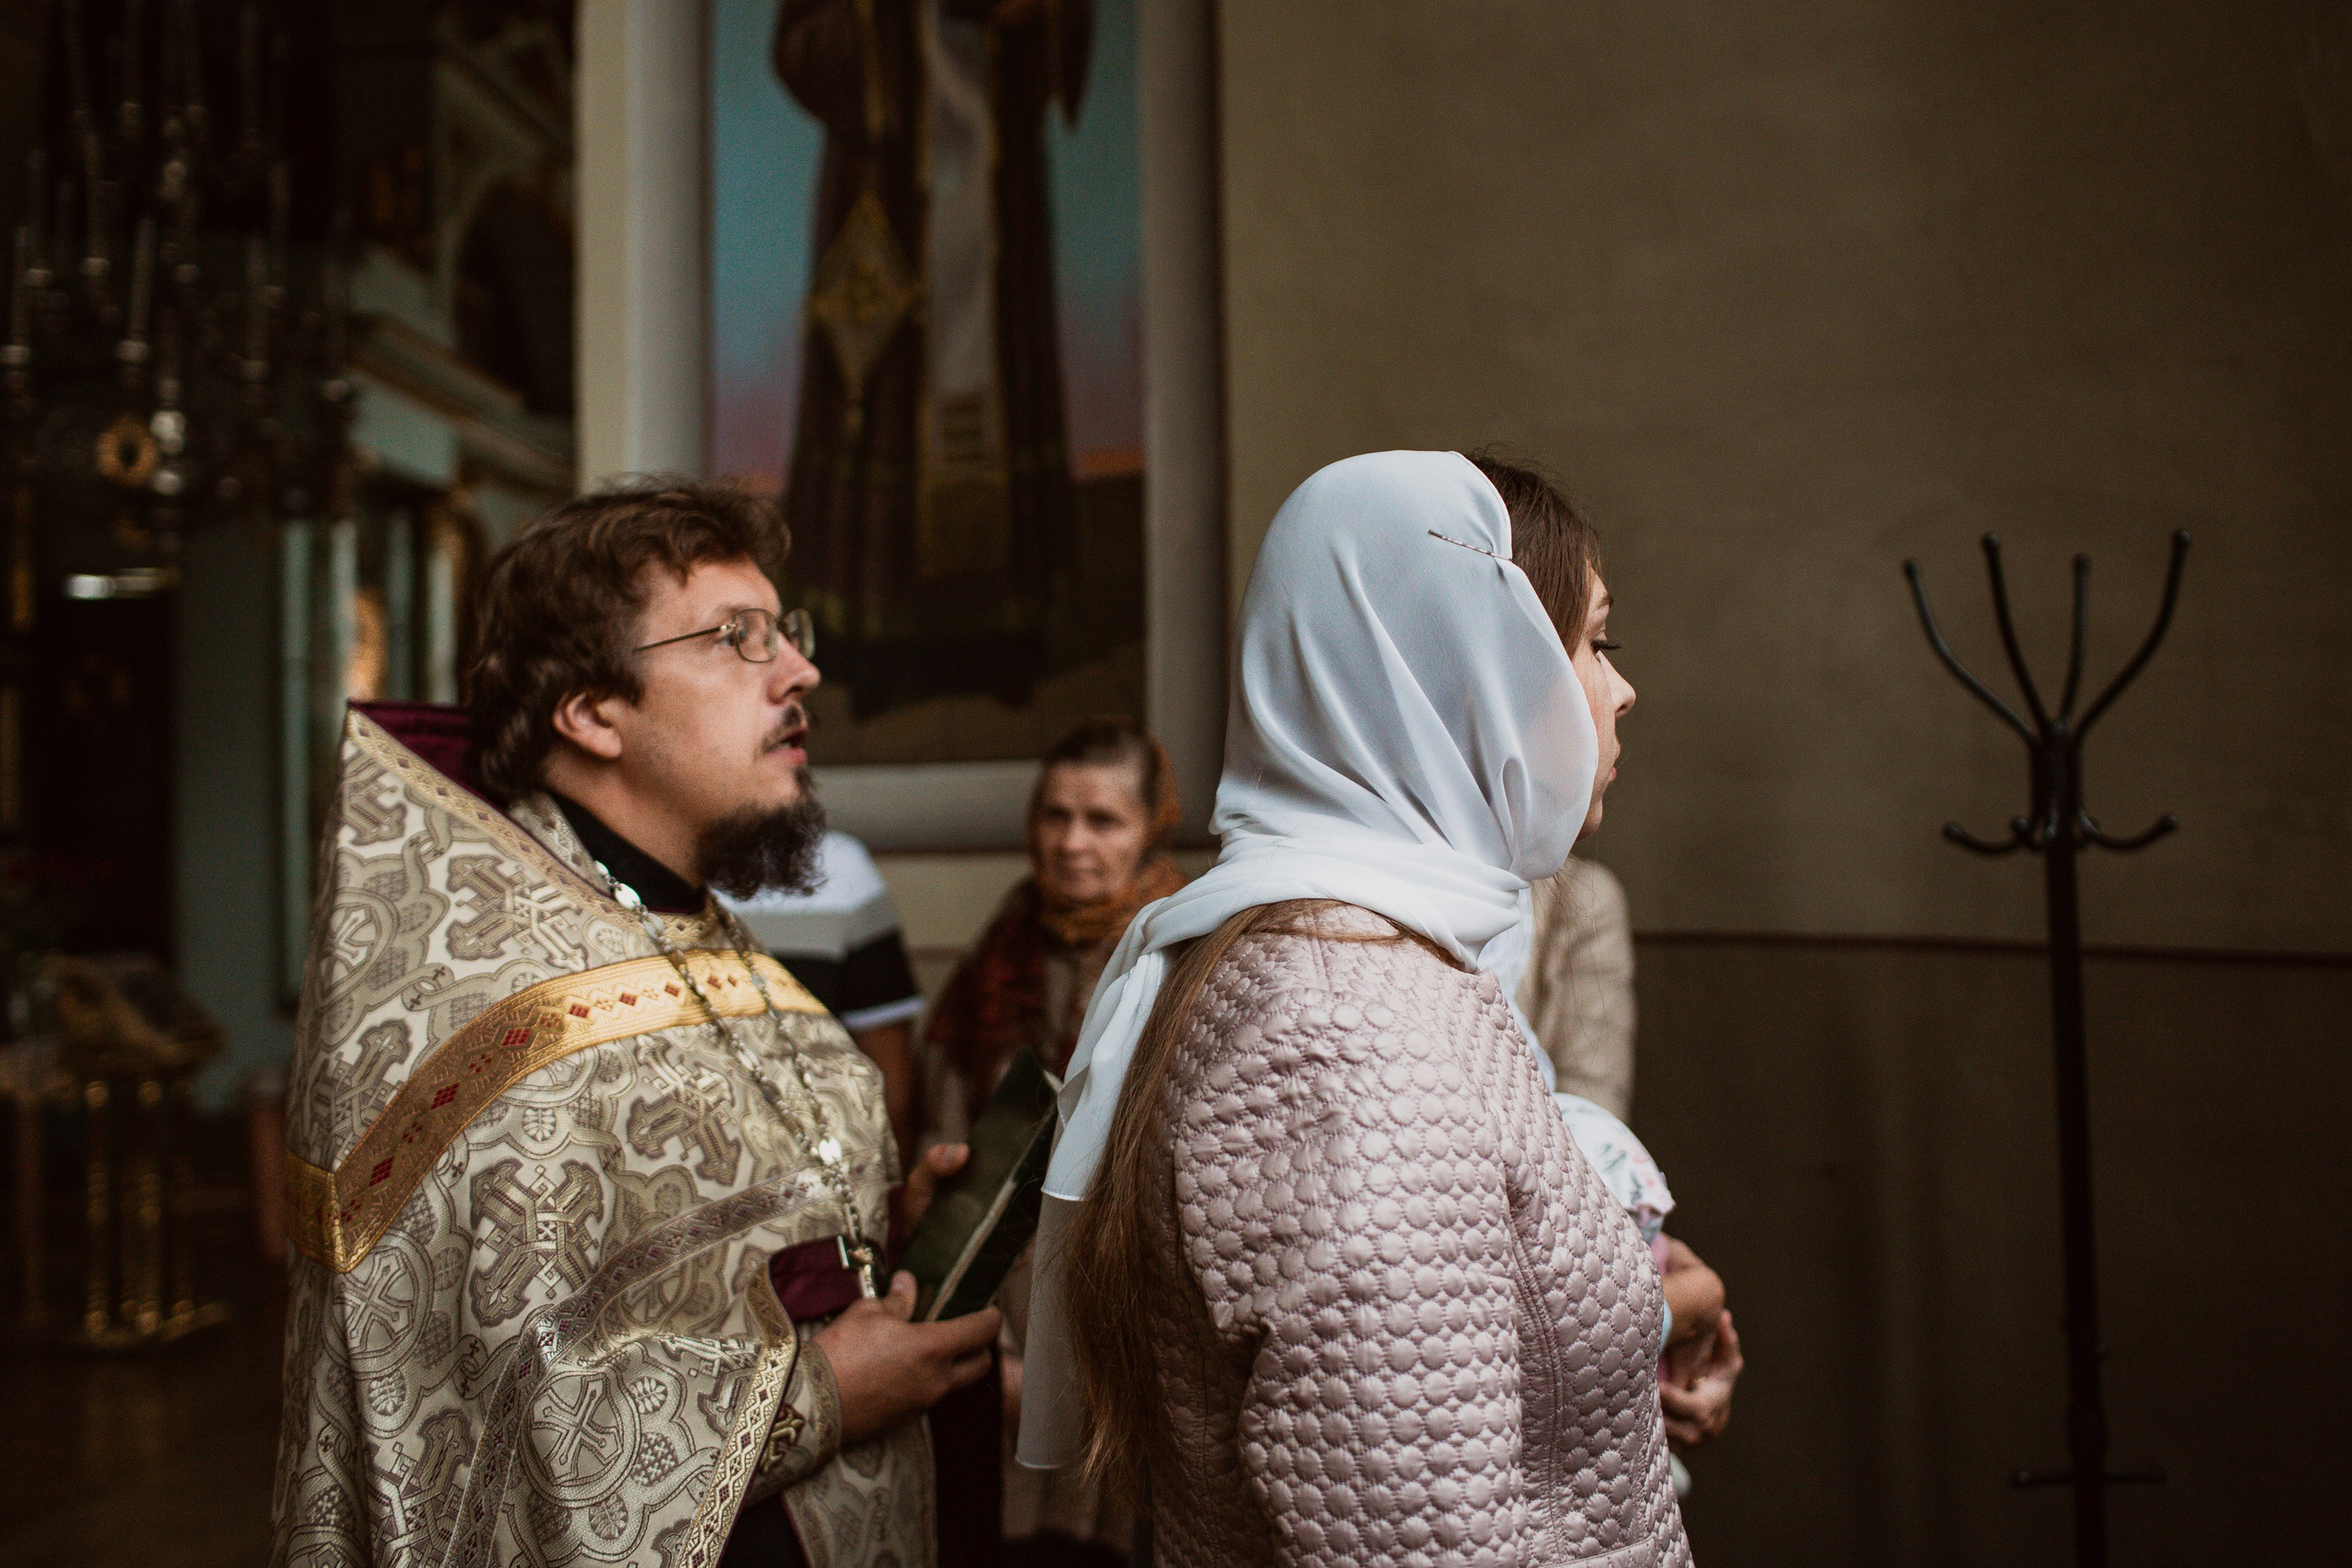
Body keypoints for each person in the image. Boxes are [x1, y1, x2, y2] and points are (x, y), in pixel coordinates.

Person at [270, 479, 1000, 1568]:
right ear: (591, 710)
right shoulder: (494, 1008)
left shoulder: (680, 920)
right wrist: (823, 1395)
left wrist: (885, 1236)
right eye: (736, 639)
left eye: (785, 634)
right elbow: (498, 1422)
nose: (799, 672)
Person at [1023, 449, 1692, 1564]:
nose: (1622, 688)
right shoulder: (1337, 1037)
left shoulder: (1376, 957)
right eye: (1593, 641)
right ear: (1476, 669)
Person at [920, 715, 1185, 1566]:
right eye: (1054, 816)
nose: (1071, 843)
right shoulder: (999, 954)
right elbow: (951, 1142)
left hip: (1123, 1359)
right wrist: (990, 1359)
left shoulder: (1182, 956)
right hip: (994, 1353)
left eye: (1103, 820)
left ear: (1152, 828)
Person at [1521, 866, 1746, 1464]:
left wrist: (1690, 1323)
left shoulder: (1571, 896)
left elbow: (1590, 1174)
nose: (1613, 766)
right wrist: (1690, 1301)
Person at [726, 829, 928, 1156]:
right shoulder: (621, 884)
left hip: (820, 1169)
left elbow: (892, 1091)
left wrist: (887, 1199)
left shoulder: (835, 868)